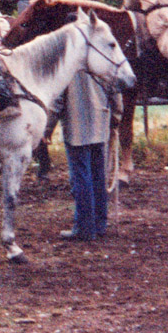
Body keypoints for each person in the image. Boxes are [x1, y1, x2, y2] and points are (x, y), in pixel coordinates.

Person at [57, 70, 122, 242]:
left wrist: (47, 127)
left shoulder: (70, 61)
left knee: (81, 177)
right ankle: (100, 224)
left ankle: (85, 228)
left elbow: (57, 98)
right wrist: (116, 116)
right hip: (100, 125)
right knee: (98, 176)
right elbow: (115, 90)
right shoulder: (100, 58)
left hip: (76, 126)